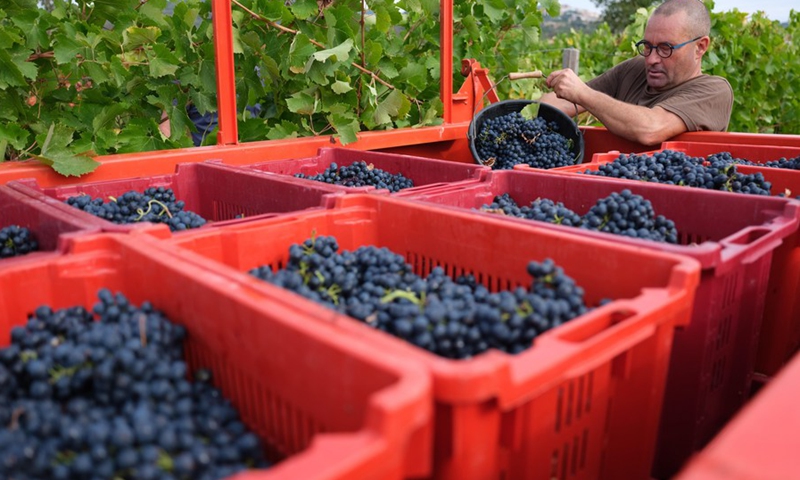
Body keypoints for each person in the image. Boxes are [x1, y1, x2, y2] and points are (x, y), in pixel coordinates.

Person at [540, 0, 732, 146]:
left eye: (666, 48)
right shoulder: (634, 70)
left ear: (700, 47)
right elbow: (560, 104)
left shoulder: (714, 91)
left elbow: (650, 128)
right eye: (647, 46)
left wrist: (582, 93)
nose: (651, 59)